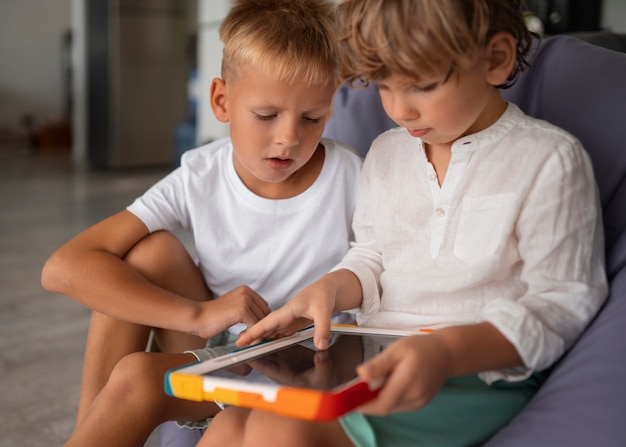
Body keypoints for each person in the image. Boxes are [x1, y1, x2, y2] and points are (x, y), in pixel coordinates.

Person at [199, 0, 609, 446]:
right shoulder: (387, 152)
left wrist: (447, 353)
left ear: (495, 60)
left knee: (279, 428)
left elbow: (561, 302)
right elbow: (372, 256)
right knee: (230, 424)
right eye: (384, 86)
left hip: (477, 377)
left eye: (420, 86)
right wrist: (330, 288)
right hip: (376, 358)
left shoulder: (548, 159)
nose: (399, 110)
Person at [40, 0, 361, 445]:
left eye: (312, 119)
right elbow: (62, 268)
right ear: (221, 101)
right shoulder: (200, 173)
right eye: (266, 116)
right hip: (218, 351)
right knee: (148, 252)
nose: (289, 138)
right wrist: (199, 314)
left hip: (302, 367)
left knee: (137, 373)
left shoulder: (352, 176)